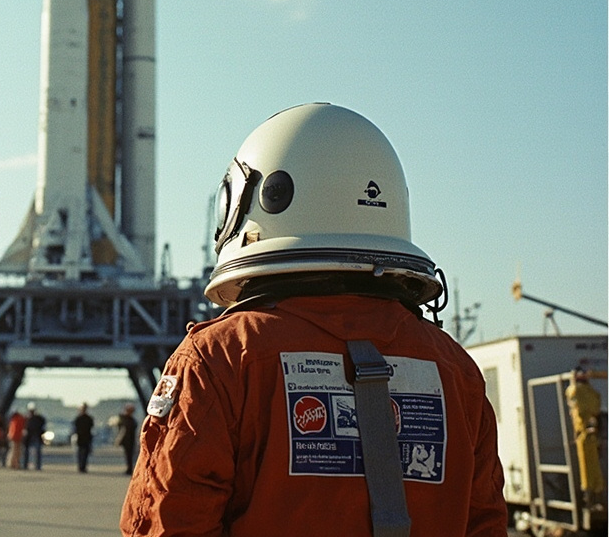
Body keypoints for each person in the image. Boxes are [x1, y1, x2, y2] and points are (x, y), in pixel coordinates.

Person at [120, 103, 507, 537]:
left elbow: (168, 521)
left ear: (255, 201)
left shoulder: (223, 358)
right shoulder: (455, 371)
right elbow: (485, 523)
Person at [566, 368, 605, 509]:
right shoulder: (591, 392)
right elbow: (596, 408)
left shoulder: (575, 390)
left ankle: (589, 498)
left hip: (584, 435)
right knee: (594, 468)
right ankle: (596, 497)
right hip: (592, 435)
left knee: (587, 469)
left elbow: (573, 399)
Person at [114, 405, 138, 475]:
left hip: (130, 439)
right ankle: (129, 468)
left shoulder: (127, 419)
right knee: (129, 455)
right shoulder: (128, 420)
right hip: (128, 439)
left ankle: (129, 468)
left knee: (129, 455)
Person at [72, 403, 95, 473]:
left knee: (83, 453)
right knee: (82, 453)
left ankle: (82, 466)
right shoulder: (85, 418)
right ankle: (82, 466)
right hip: (83, 437)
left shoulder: (80, 418)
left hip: (84, 437)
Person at [23, 403, 47, 470]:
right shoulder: (33, 418)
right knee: (32, 452)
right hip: (32, 436)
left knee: (35, 452)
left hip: (33, 436)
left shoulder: (29, 419)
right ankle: (34, 466)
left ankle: (35, 466)